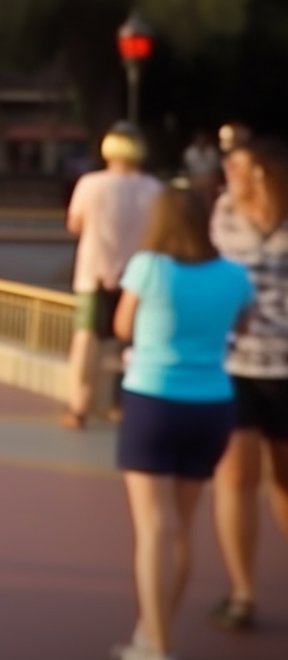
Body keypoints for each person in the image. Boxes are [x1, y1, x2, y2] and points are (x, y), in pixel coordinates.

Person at [111, 185, 254, 660]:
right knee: (181, 529)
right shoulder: (234, 275)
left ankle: (157, 647)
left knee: (152, 526)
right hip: (212, 404)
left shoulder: (149, 268)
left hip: (154, 399)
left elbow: (122, 327)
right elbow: (244, 326)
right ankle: (153, 632)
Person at [207, 136, 288, 632]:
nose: (228, 173)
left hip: (286, 368)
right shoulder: (223, 212)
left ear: (264, 172)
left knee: (284, 481)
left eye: (237, 166)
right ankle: (242, 592)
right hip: (235, 365)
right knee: (236, 479)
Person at [63, 124, 163, 429]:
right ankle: (123, 404)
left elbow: (74, 225)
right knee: (132, 342)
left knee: (86, 339)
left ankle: (79, 406)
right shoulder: (153, 188)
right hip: (137, 274)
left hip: (93, 272)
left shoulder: (90, 184)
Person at [183, 131, 222, 198]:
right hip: (196, 180)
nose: (201, 141)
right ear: (195, 140)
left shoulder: (211, 151)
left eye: (203, 139)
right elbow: (187, 170)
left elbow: (216, 169)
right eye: (199, 139)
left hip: (211, 180)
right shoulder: (190, 152)